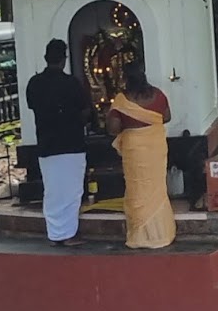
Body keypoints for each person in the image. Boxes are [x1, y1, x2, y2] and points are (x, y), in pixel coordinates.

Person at [25, 38, 92, 246]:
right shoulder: (71, 83)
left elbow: (33, 106)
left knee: (53, 190)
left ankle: (55, 233)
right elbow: (85, 110)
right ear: (64, 59)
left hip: (46, 143)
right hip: (71, 143)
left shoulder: (34, 83)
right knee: (71, 191)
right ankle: (68, 234)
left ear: (46, 58)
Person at [104, 60, 175, 250]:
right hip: (156, 145)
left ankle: (141, 236)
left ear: (125, 78)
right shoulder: (158, 94)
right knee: (157, 187)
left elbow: (113, 128)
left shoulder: (122, 99)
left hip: (135, 149)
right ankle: (162, 234)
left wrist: (112, 115)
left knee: (137, 189)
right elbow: (167, 117)